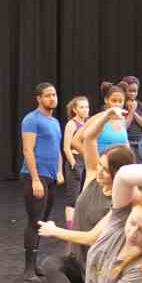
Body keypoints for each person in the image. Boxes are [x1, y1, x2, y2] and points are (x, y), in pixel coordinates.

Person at [37, 145, 134, 283]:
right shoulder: (92, 179)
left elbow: (92, 237)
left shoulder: (121, 202)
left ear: (118, 174)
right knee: (51, 264)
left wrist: (55, 231)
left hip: (104, 269)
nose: (99, 171)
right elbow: (87, 137)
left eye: (106, 169)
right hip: (80, 262)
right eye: (100, 165)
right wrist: (104, 118)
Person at [20, 82, 65, 283]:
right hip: (34, 177)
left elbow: (57, 149)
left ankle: (35, 265)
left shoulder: (55, 122)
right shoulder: (31, 120)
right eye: (47, 95)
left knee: (42, 222)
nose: (52, 98)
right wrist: (35, 179)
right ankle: (28, 269)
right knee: (34, 221)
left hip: (50, 176)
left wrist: (59, 170)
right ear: (39, 98)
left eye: (54, 95)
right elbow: (28, 150)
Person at [76, 82, 132, 161]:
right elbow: (76, 141)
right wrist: (92, 160)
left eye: (120, 101)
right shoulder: (98, 118)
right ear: (106, 100)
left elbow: (126, 145)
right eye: (114, 101)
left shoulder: (122, 119)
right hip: (101, 169)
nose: (117, 104)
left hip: (119, 168)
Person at [62, 95, 91, 228]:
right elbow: (66, 146)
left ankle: (81, 224)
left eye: (87, 107)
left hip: (87, 161)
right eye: (82, 107)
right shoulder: (72, 124)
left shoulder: (87, 123)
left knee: (85, 195)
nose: (85, 109)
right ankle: (70, 227)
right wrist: (73, 162)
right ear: (75, 109)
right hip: (76, 160)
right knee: (73, 197)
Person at [121, 76, 142, 163]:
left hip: (139, 145)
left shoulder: (140, 105)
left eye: (135, 91)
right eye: (130, 91)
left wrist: (134, 112)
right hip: (126, 144)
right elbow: (123, 128)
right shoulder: (120, 105)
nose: (132, 94)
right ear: (124, 90)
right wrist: (130, 111)